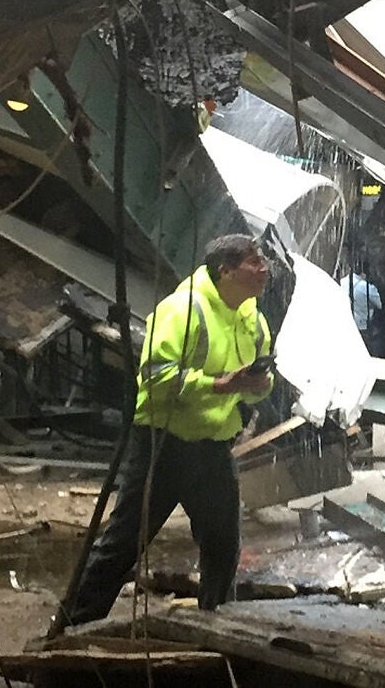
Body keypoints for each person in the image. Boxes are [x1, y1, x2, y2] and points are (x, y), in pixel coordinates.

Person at [60, 234, 278, 626]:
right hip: (163, 446)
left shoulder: (254, 320)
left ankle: (219, 625)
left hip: (212, 447)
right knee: (124, 544)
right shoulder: (181, 309)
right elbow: (156, 379)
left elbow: (258, 389)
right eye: (253, 261)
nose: (264, 269)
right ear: (225, 270)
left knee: (223, 546)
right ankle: (71, 626)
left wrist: (259, 386)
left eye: (263, 261)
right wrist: (221, 385)